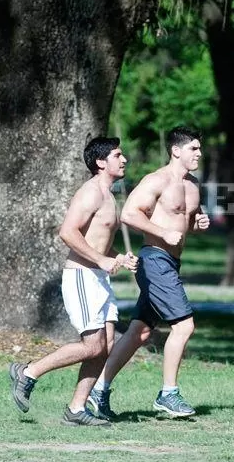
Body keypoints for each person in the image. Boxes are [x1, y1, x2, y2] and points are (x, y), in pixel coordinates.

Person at [8, 137, 137, 427]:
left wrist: (118, 258)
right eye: (118, 155)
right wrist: (102, 260)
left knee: (104, 347)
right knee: (92, 346)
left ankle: (77, 409)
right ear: (101, 162)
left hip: (98, 277)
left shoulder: (108, 194)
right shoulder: (91, 192)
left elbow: (99, 242)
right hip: (81, 275)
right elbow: (67, 232)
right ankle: (28, 372)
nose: (124, 159)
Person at [87, 126, 210, 420]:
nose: (199, 154)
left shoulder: (193, 185)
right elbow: (130, 214)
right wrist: (163, 232)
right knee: (184, 326)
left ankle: (98, 390)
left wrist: (198, 224)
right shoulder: (157, 180)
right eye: (193, 148)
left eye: (199, 148)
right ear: (176, 150)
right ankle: (168, 394)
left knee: (139, 332)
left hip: (170, 263)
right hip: (154, 260)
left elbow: (185, 222)